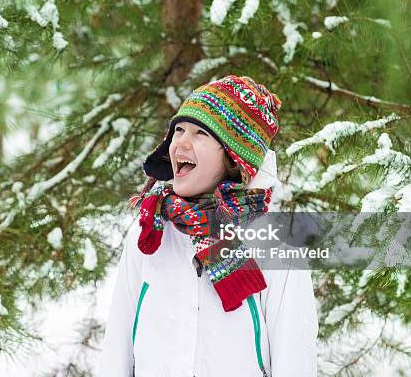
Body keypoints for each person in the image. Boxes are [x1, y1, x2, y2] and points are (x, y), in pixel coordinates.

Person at [96, 75, 319, 376]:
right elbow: (117, 347)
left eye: (201, 133)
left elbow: (295, 359)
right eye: (179, 130)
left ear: (233, 157)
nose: (181, 143)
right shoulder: (151, 231)